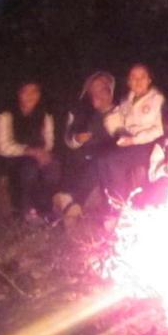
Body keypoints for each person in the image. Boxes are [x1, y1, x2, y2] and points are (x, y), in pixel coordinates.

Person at [0, 80, 61, 221]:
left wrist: (43, 153)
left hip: (37, 156)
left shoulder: (45, 116)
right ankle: (26, 210)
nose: (30, 96)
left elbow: (49, 140)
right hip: (12, 158)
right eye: (26, 91)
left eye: (34, 91)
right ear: (18, 93)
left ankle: (46, 208)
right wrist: (30, 151)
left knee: (53, 167)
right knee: (29, 168)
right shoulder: (6, 115)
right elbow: (1, 145)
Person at [54, 71, 116, 223]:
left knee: (100, 161)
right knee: (76, 156)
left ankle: (73, 201)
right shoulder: (83, 113)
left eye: (102, 88)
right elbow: (68, 139)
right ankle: (67, 200)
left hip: (110, 156)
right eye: (93, 90)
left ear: (110, 90)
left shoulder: (120, 110)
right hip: (86, 155)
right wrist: (77, 139)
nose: (97, 94)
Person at [101, 63, 165, 201]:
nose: (138, 81)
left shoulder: (157, 99)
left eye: (142, 77)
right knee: (102, 160)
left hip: (147, 144)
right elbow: (115, 121)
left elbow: (159, 130)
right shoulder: (126, 101)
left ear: (149, 80)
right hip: (128, 143)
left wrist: (134, 140)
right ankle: (111, 202)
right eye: (133, 77)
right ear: (129, 82)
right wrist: (117, 131)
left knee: (114, 161)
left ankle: (121, 204)